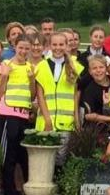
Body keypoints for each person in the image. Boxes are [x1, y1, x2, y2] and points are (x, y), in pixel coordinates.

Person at [0, 34, 35, 195]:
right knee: (8, 159)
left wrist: (32, 79)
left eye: (27, 48)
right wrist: (4, 77)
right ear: (14, 47)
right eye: (21, 48)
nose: (24, 51)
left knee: (24, 157)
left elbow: (32, 95)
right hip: (7, 116)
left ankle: (28, 194)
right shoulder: (6, 65)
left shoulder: (30, 67)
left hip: (24, 117)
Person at [34, 32, 82, 163]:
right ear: (49, 46)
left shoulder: (75, 66)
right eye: (54, 44)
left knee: (61, 160)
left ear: (67, 46)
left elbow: (75, 95)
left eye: (61, 44)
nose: (58, 47)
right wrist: (47, 120)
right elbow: (40, 95)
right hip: (46, 122)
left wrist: (77, 120)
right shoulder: (41, 66)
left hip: (66, 123)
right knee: (45, 160)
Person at [80, 55, 110, 127]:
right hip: (98, 130)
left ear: (106, 69)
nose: (98, 70)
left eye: (101, 67)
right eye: (94, 68)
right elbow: (88, 116)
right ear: (90, 71)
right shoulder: (90, 90)